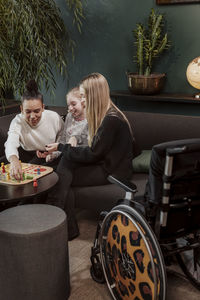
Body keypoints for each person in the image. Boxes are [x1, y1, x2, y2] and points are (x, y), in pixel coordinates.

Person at [45, 73, 137, 240]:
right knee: (64, 173)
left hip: (113, 173)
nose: (83, 100)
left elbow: (93, 154)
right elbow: (96, 151)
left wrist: (60, 146)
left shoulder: (111, 120)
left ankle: (55, 214)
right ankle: (66, 226)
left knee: (61, 175)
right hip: (105, 165)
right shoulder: (109, 114)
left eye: (83, 96)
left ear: (92, 95)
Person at [4, 80, 64, 180]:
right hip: (25, 155)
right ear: (21, 109)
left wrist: (53, 152)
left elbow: (63, 137)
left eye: (37, 111)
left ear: (43, 108)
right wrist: (14, 160)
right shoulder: (17, 121)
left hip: (49, 156)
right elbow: (11, 142)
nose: (32, 116)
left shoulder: (54, 117)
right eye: (27, 111)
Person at [46, 86, 88, 162]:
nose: (70, 108)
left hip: (81, 159)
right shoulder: (69, 116)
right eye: (68, 105)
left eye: (74, 104)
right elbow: (63, 140)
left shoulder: (89, 120)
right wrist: (54, 154)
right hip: (66, 156)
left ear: (83, 102)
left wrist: (75, 138)